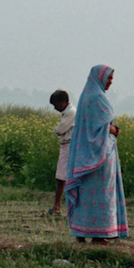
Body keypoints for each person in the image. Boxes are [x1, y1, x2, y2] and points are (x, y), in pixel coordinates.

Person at [64, 64, 126, 245]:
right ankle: (100, 235)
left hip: (87, 155)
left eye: (112, 79)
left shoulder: (86, 96)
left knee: (86, 194)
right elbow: (97, 127)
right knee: (101, 195)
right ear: (99, 78)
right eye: (108, 78)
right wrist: (113, 129)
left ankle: (82, 231)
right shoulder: (96, 97)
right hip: (99, 157)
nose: (110, 83)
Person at [44, 89, 75, 217]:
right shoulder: (68, 112)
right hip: (66, 145)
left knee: (61, 178)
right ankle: (59, 206)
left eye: (56, 105)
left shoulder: (71, 112)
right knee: (63, 178)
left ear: (63, 102)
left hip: (68, 145)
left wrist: (56, 130)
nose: (55, 108)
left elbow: (60, 129)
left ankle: (57, 207)